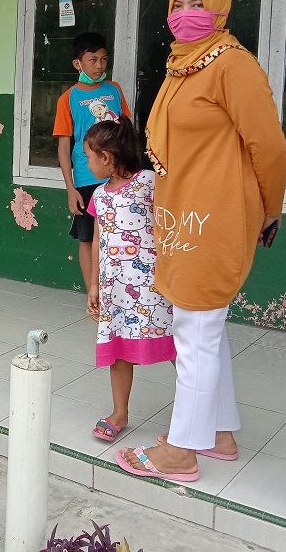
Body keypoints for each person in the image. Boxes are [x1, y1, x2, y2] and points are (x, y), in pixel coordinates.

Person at [116, 0, 286, 483]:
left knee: (195, 330)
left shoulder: (234, 65)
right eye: (179, 3)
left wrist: (271, 207)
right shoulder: (180, 66)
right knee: (204, 328)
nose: (186, 12)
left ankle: (181, 451)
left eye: (198, 4)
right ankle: (218, 433)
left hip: (217, 216)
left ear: (220, 10)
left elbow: (270, 146)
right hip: (181, 214)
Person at [85, 117, 175, 442]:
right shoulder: (99, 195)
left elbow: (170, 220)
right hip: (116, 290)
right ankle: (119, 412)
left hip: (154, 288)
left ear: (106, 158)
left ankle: (196, 413)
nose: (87, 162)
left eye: (88, 156)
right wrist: (94, 284)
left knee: (178, 348)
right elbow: (98, 240)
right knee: (118, 351)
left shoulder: (148, 182)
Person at [53, 32, 131, 291]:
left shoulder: (114, 89)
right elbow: (64, 147)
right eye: (93, 59)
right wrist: (70, 188)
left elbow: (127, 130)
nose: (99, 66)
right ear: (78, 64)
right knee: (88, 238)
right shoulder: (68, 98)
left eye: (104, 59)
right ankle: (93, 295)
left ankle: (119, 292)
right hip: (87, 179)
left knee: (120, 235)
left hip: (119, 176)